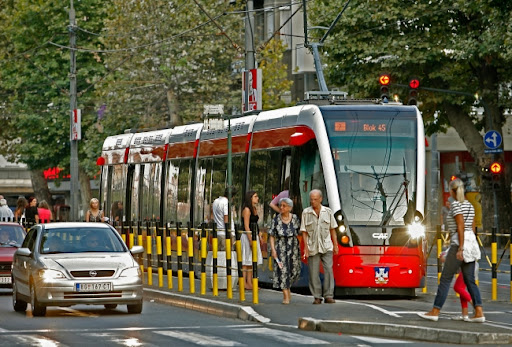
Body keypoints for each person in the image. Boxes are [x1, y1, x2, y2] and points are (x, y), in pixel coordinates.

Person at [418, 178, 485, 322]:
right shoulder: (470, 205)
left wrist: (460, 247)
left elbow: (460, 226)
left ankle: (435, 311)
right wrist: (468, 244)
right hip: (471, 243)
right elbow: (471, 227)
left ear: (453, 191)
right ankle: (479, 312)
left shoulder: (456, 206)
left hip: (458, 244)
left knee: (445, 279)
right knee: (470, 280)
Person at [300, 189, 339, 304]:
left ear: (321, 199)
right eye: (311, 199)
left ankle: (328, 295)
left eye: (315, 199)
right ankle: (317, 296)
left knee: (328, 270)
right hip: (313, 246)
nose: (313, 202)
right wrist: (306, 248)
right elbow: (304, 231)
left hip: (326, 246)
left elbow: (333, 229)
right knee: (313, 272)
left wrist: (335, 245)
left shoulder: (328, 212)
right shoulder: (306, 212)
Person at [269, 197, 301, 304]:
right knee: (282, 271)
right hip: (281, 247)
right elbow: (272, 235)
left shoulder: (295, 218)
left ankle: (288, 288)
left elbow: (300, 232)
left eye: (284, 206)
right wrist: (273, 250)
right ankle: (286, 295)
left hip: (293, 247)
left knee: (294, 270)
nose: (281, 208)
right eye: (280, 205)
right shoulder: (276, 219)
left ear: (290, 208)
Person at [241, 190, 263, 289]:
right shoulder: (247, 210)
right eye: (255, 196)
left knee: (251, 261)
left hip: (254, 235)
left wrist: (259, 235)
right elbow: (246, 225)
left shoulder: (254, 209)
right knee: (246, 260)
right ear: (250, 198)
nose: (257, 198)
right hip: (247, 236)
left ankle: (249, 282)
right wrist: (250, 239)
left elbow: (255, 224)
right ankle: (244, 282)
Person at [212, 187, 237, 251]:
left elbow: (212, 216)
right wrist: (230, 236)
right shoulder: (226, 202)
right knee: (226, 256)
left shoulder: (216, 201)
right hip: (225, 234)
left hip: (217, 233)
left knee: (217, 256)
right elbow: (226, 219)